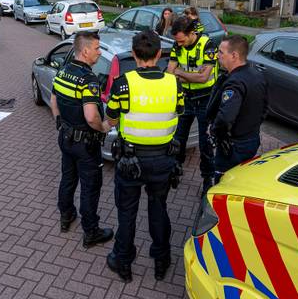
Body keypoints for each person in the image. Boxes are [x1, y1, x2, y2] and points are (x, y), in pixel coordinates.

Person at [104, 30, 184, 283]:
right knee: (158, 208)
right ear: (159, 54)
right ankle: (161, 261)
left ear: (134, 54)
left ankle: (123, 262)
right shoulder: (174, 83)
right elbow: (179, 111)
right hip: (163, 160)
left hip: (130, 161)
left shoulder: (123, 83)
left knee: (127, 213)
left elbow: (112, 118)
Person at [50, 31, 114, 247]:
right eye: (97, 48)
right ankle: (91, 232)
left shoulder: (63, 70)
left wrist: (61, 122)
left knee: (68, 179)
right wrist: (103, 128)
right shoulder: (89, 80)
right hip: (86, 144)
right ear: (86, 51)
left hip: (66, 137)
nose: (99, 52)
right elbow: (91, 116)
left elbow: (53, 100)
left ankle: (66, 217)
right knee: (90, 187)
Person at [166, 16, 218, 197]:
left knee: (206, 143)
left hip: (206, 99)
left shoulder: (208, 45)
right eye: (176, 41)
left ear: (191, 33)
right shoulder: (177, 45)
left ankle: (207, 179)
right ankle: (175, 168)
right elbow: (168, 73)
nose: (178, 44)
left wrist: (179, 72)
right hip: (186, 97)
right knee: (178, 137)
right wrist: (188, 75)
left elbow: (204, 78)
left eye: (181, 40)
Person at [206, 36, 267, 183]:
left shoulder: (235, 82)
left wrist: (215, 132)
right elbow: (264, 109)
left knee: (224, 182)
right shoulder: (257, 75)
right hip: (251, 139)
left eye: (221, 52)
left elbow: (226, 117)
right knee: (240, 180)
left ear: (234, 55)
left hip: (234, 145)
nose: (217, 56)